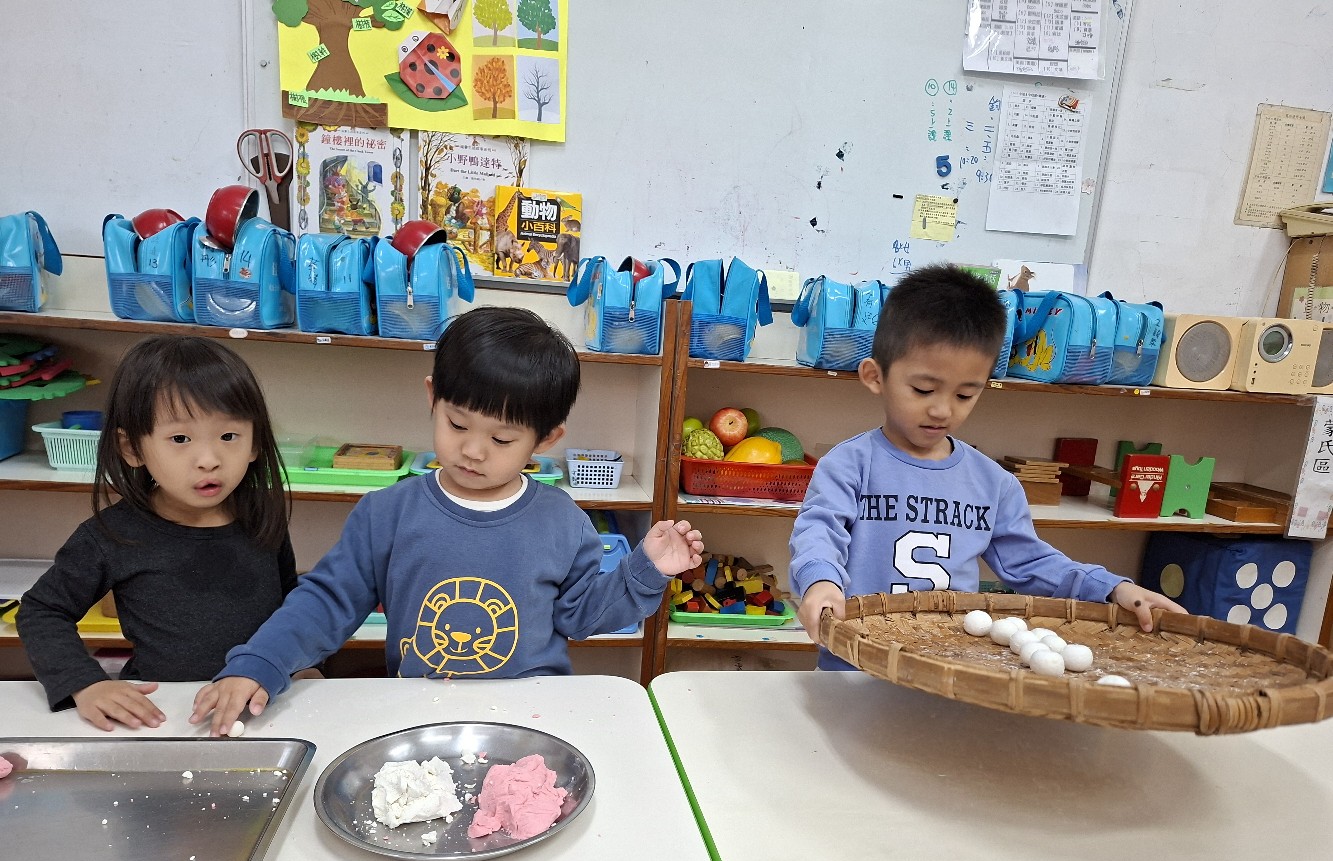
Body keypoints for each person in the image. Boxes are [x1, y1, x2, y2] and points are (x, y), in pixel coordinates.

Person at [191, 306, 704, 735]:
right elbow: (325, 601)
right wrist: (262, 661)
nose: (473, 451)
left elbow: (582, 615)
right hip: (421, 715)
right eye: (457, 424)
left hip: (532, 717)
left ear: (546, 439)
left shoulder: (561, 520)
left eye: (502, 439)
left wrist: (645, 569)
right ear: (432, 397)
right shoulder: (387, 513)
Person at [790, 264, 1184, 668]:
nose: (942, 410)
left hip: (948, 670)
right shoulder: (848, 465)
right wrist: (821, 581)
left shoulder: (994, 483)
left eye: (965, 395)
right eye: (923, 390)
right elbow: (818, 533)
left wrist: (1113, 588)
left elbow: (1032, 564)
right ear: (875, 377)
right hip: (854, 664)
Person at [19, 336, 297, 729]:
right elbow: (42, 610)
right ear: (132, 448)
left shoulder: (262, 517)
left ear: (255, 443)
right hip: (165, 715)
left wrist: (303, 664)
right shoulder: (110, 534)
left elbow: (293, 607)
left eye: (228, 436)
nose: (209, 460)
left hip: (262, 707)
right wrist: (85, 683)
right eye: (180, 439)